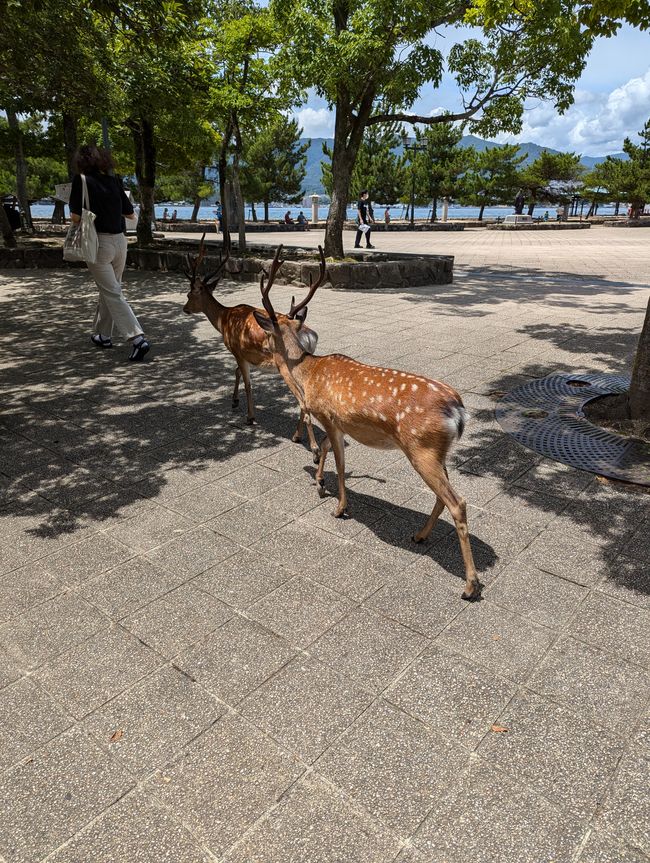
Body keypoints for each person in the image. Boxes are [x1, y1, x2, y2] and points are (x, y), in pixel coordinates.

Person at [69, 144, 150, 361]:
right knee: (111, 289)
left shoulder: (81, 181)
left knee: (113, 292)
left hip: (98, 243)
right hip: (120, 243)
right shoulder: (114, 182)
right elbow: (131, 215)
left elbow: (76, 218)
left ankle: (137, 338)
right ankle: (103, 335)